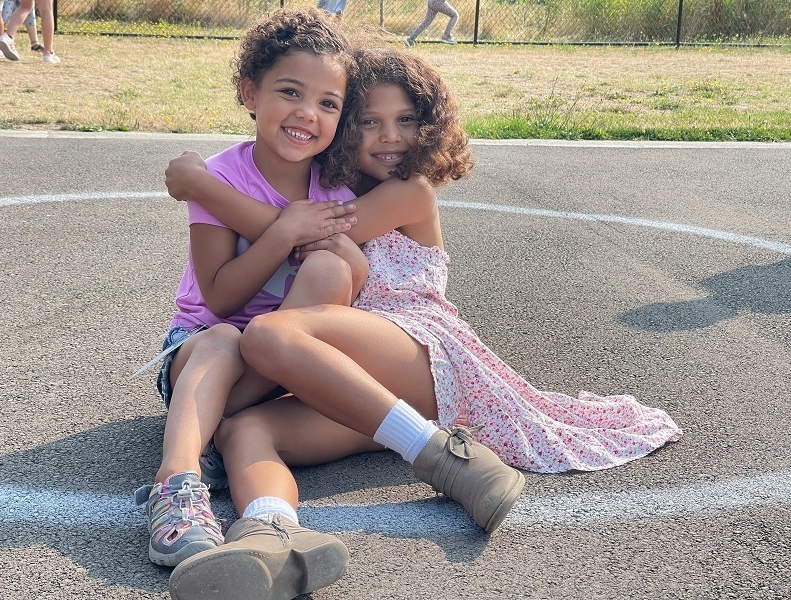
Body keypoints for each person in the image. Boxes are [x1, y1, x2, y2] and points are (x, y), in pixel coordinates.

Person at [164, 46, 682, 600]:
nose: (390, 137)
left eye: (406, 121)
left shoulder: (409, 192)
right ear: (344, 129)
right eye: (369, 121)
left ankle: (445, 457)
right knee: (247, 429)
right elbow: (293, 226)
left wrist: (204, 186)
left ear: (430, 128)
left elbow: (297, 230)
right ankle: (272, 536)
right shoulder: (332, 188)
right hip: (352, 377)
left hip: (419, 350)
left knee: (271, 332)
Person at [133, 9, 366, 570]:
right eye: (290, 92)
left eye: (328, 103)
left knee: (333, 269)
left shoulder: (331, 187)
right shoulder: (220, 178)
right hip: (202, 355)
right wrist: (286, 229)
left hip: (277, 372)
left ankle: (219, 440)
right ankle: (177, 482)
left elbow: (353, 284)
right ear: (249, 93)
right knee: (223, 339)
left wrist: (337, 250)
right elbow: (219, 299)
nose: (307, 114)